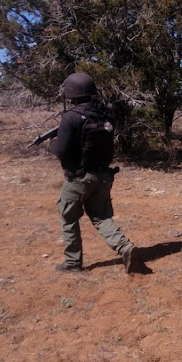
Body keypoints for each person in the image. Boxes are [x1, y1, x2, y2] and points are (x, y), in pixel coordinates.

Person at [48, 72, 147, 274]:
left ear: (70, 93)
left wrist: (52, 143)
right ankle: (125, 248)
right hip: (103, 176)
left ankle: (73, 263)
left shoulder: (71, 117)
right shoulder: (106, 114)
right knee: (102, 217)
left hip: (78, 178)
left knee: (69, 218)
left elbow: (62, 150)